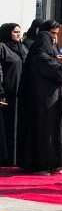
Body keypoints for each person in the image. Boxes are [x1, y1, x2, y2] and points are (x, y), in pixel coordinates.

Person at [16, 26, 62, 175]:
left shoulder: (41, 56)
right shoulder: (42, 58)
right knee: (45, 133)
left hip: (46, 100)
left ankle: (53, 163)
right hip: (44, 102)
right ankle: (41, 165)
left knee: (51, 132)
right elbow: (60, 74)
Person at [0, 23, 28, 166]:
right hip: (8, 94)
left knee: (20, 124)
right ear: (7, 33)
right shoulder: (2, 47)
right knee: (8, 125)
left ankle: (18, 157)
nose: (18, 34)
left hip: (21, 93)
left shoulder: (22, 47)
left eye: (19, 32)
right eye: (15, 32)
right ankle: (7, 157)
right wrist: (1, 91)